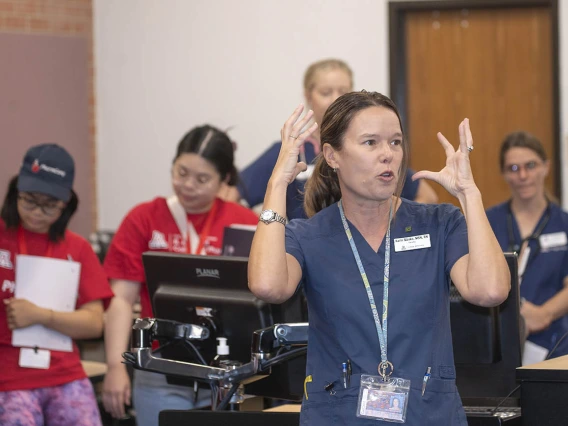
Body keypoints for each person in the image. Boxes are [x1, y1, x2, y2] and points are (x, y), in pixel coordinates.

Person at [248, 91, 510, 425]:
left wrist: (469, 195)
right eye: (371, 143)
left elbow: (490, 291)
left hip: (427, 413)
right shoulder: (308, 235)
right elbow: (268, 286)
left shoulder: (439, 223)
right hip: (339, 415)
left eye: (396, 142)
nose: (388, 155)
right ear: (332, 155)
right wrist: (278, 182)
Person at [102, 125, 259, 426]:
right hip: (160, 368)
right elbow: (121, 299)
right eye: (181, 172)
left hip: (227, 371)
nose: (187, 185)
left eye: (202, 179)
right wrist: (114, 366)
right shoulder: (144, 218)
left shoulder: (244, 224)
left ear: (224, 179)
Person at [235, 58, 437, 218]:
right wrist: (271, 228)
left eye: (343, 91)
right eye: (326, 92)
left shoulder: (377, 153)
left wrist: (389, 227)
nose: (335, 99)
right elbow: (230, 197)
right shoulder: (292, 151)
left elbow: (427, 196)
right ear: (308, 96)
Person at [0, 144, 113, 426]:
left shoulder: (78, 248)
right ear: (15, 193)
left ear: (66, 205)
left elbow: (94, 324)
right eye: (28, 201)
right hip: (8, 376)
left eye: (49, 205)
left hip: (65, 373)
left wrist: (41, 316)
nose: (37, 212)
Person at [486, 131, 568, 361]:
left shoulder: (563, 224)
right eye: (513, 168)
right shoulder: (488, 222)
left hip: (554, 343)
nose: (522, 175)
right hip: (499, 342)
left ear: (546, 167)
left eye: (530, 165)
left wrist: (543, 314)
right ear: (503, 174)